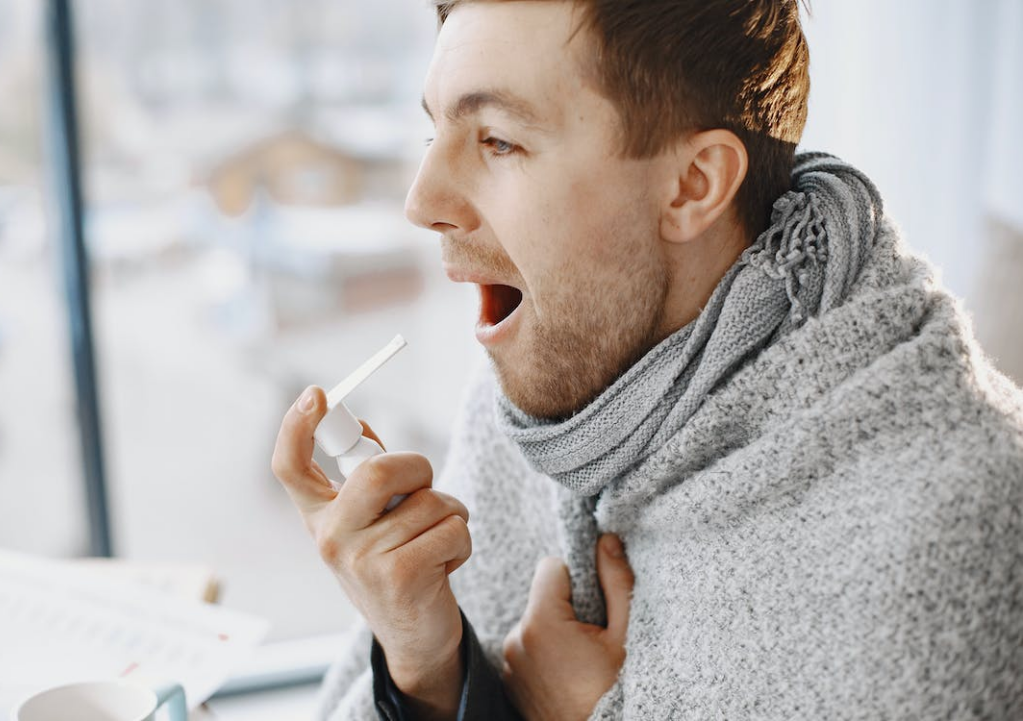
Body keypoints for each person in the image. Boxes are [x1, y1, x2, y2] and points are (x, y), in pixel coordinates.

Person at [271, 1, 1023, 719]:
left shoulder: (948, 530)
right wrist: (427, 666)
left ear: (693, 185)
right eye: (433, 132)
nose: (422, 198)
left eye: (498, 140)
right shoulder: (544, 373)